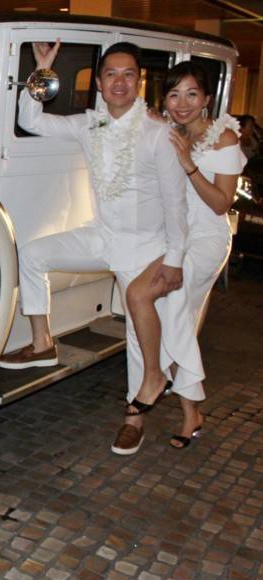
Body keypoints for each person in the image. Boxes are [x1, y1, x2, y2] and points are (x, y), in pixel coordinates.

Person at [0, 41, 187, 455]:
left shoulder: (159, 135)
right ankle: (43, 343)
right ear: (99, 83)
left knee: (138, 335)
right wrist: (42, 74)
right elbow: (32, 120)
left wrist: (173, 262)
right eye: (111, 74)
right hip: (101, 236)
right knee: (31, 254)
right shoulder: (90, 124)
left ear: (139, 81)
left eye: (128, 74)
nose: (120, 82)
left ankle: (134, 418)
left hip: (144, 247)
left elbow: (177, 205)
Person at [121, 62, 245, 449]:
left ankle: (150, 392)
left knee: (158, 303)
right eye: (174, 94)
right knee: (153, 315)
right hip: (171, 236)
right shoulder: (166, 132)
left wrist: (189, 164)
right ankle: (186, 412)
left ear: (207, 98)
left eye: (192, 94)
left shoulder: (223, 138)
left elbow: (221, 204)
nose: (183, 103)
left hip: (206, 240)